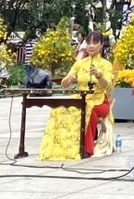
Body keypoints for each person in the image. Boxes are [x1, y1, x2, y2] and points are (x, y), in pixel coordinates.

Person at [39, 31, 114, 160]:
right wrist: (69, 80)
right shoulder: (79, 63)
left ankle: (86, 149)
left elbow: (106, 86)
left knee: (89, 109)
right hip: (79, 98)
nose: (91, 46)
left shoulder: (106, 64)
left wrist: (99, 76)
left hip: (99, 100)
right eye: (89, 43)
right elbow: (64, 84)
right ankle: (61, 147)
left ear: (101, 44)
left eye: (95, 42)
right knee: (59, 109)